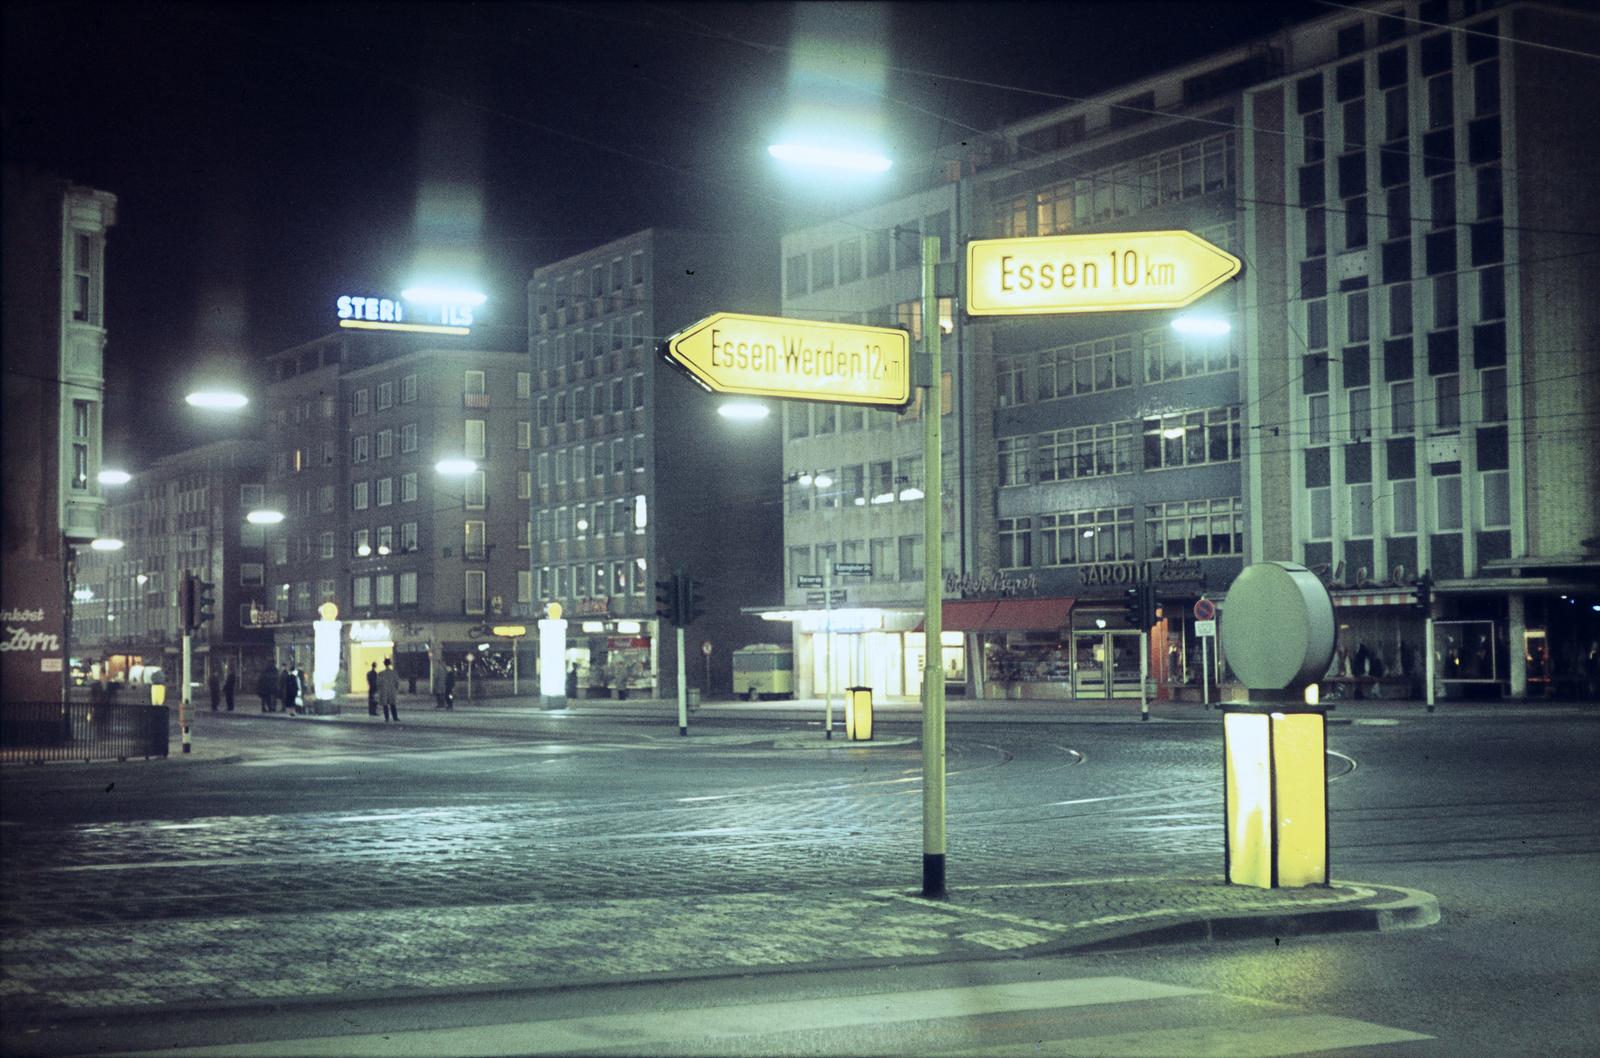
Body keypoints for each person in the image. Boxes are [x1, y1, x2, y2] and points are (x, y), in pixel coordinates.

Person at [377, 657, 400, 722]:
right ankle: (395, 717)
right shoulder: (394, 673)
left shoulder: (381, 673)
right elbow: (397, 682)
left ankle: (386, 718)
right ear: (390, 664)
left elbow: (378, 683)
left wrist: (379, 690)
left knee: (385, 705)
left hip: (384, 691)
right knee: (393, 704)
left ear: (384, 664)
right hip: (392, 691)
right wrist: (396, 689)